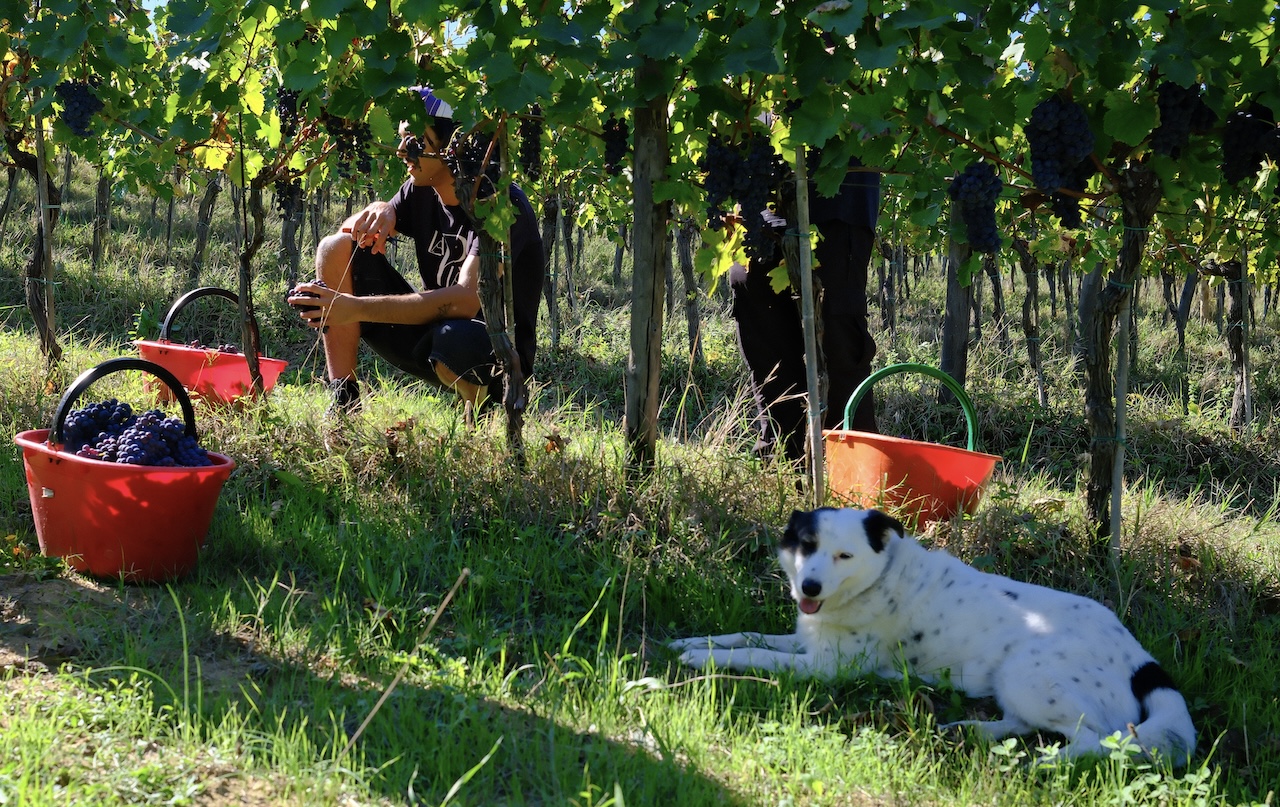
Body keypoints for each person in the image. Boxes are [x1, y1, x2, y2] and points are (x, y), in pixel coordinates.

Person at [288, 87, 545, 418]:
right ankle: (343, 402)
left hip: (494, 357)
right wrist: (382, 210)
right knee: (335, 248)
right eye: (400, 138)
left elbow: (465, 300)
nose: (400, 151)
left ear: (452, 144)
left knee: (456, 336)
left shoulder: (502, 206)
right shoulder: (420, 190)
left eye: (413, 140)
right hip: (437, 337)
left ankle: (483, 416)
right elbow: (349, 235)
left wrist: (352, 308)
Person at [729, 147, 880, 465]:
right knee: (764, 335)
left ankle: (854, 473)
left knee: (838, 342)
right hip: (758, 200)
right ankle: (785, 467)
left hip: (838, 199)